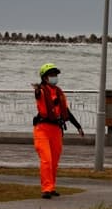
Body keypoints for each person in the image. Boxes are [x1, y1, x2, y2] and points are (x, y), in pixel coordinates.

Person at [32, 63, 84, 199]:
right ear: (44, 77)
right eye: (51, 75)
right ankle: (46, 189)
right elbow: (38, 95)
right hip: (42, 129)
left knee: (54, 161)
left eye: (55, 75)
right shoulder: (41, 91)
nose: (54, 77)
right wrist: (37, 90)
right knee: (46, 160)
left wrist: (78, 126)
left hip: (56, 129)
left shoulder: (60, 93)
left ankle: (52, 186)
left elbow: (66, 111)